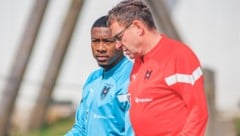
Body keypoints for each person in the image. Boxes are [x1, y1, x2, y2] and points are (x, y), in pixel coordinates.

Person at [107, 0, 208, 135]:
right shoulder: (137, 62)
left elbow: (198, 113)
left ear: (138, 27)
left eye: (119, 37)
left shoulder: (179, 55)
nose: (118, 45)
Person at [65, 15, 134, 136]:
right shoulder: (93, 79)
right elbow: (81, 128)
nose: (100, 48)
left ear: (120, 43)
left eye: (107, 41)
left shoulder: (133, 78)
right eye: (95, 41)